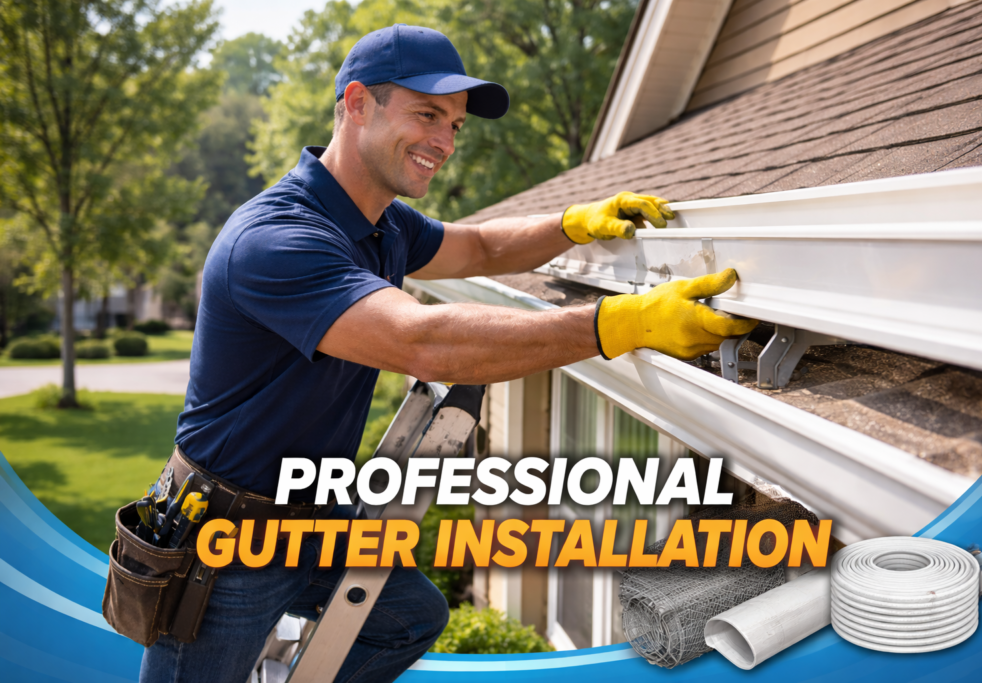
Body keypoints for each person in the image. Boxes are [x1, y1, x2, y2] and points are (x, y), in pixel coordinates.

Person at [140, 24, 756, 683]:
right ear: (356, 104)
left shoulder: (381, 222)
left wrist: (573, 223)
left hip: (310, 516)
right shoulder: (276, 240)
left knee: (408, 616)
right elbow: (422, 341)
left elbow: (483, 247)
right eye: (428, 113)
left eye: (456, 125)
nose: (445, 141)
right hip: (225, 543)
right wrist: (619, 321)